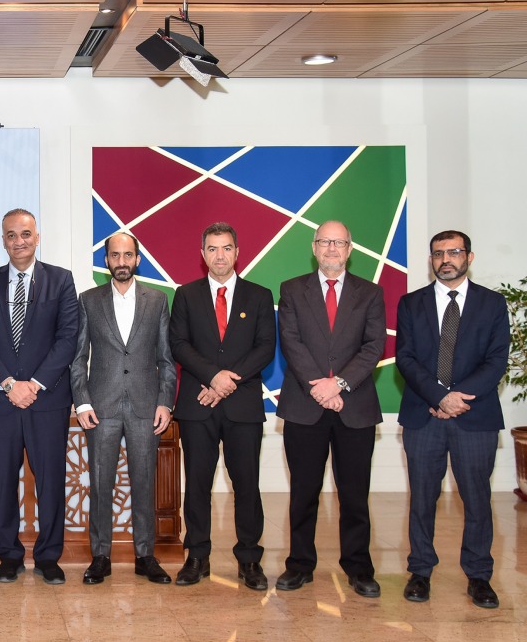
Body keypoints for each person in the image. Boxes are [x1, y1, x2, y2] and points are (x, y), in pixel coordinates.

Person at [395, 230, 509, 609]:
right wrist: (439, 396)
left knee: (477, 499)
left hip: (474, 418)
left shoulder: (493, 304)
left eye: (454, 252)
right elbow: (406, 359)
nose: (446, 259)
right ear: (431, 260)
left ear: (469, 257)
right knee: (422, 499)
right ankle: (420, 571)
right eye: (439, 253)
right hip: (423, 416)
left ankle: (479, 576)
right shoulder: (411, 304)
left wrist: (456, 399)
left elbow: (496, 360)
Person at [274, 221, 385, 598]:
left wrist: (338, 384)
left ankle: (358, 567)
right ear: (314, 247)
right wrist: (320, 387)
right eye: (325, 242)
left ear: (350, 249)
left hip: (355, 407)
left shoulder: (370, 293)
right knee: (303, 492)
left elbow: (374, 347)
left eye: (339, 243)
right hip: (306, 406)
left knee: (354, 495)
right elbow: (290, 342)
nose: (332, 249)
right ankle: (299, 564)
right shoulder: (291, 290)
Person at [169, 222, 275, 591]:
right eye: (212, 249)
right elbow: (179, 344)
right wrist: (214, 377)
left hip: (242, 407)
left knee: (246, 484)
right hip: (197, 405)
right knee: (196, 484)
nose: (219, 255)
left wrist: (228, 381)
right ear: (202, 254)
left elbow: (265, 348)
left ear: (237, 252)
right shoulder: (185, 295)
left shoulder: (259, 296)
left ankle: (249, 560)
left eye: (226, 248)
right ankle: (197, 556)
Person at [0, 209, 79, 585]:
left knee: (51, 479)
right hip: (1, 400)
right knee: (2, 479)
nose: (18, 241)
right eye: (10, 235)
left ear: (37, 237)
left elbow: (67, 338)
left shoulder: (61, 280)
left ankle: (49, 556)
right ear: (2, 240)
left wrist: (33, 384)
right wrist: (8, 383)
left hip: (46, 400)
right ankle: (9, 556)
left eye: (25, 234)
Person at [69, 232, 175, 585]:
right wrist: (82, 400)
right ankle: (101, 556)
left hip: (146, 406)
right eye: (115, 256)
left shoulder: (158, 300)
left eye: (128, 255)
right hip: (101, 406)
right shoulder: (89, 300)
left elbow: (167, 358)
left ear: (137, 258)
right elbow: (78, 357)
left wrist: (165, 401)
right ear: (107, 261)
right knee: (101, 483)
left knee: (144, 481)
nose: (122, 262)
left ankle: (146, 556)